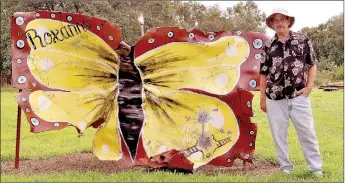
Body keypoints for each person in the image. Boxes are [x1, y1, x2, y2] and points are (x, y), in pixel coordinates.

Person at [259, 8, 323, 176]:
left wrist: (309, 87)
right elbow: (263, 73)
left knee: (307, 133)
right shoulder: (268, 45)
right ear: (272, 24)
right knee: (279, 136)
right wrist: (262, 100)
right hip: (274, 97)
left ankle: (316, 169)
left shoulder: (302, 39)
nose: (279, 22)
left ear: (288, 21)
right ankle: (285, 168)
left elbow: (312, 63)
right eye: (275, 20)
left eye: (282, 19)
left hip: (299, 96)